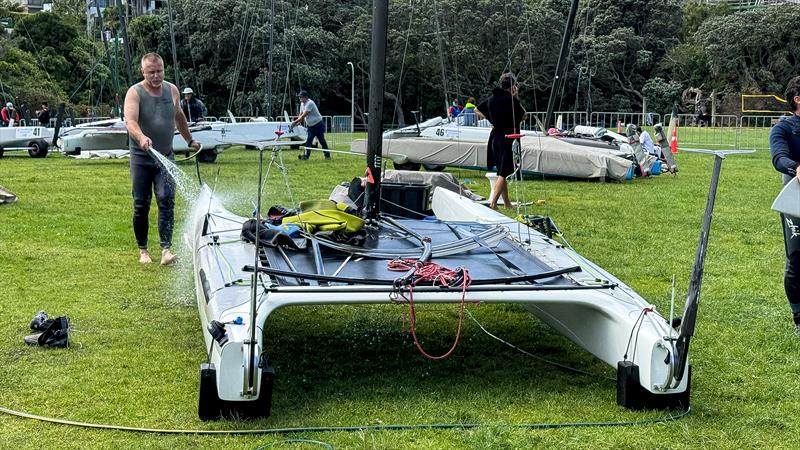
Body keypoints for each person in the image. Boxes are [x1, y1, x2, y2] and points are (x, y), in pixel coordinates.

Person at [124, 52, 201, 265]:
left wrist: (190, 140)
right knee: (141, 203)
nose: (156, 76)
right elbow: (130, 121)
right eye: (151, 72)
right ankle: (143, 251)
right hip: (142, 157)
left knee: (167, 200)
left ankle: (166, 250)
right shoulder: (135, 92)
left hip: (165, 157)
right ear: (143, 72)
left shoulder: (172, 90)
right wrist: (141, 137)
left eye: (159, 71)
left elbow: (179, 116)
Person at [769, 75, 800, 335]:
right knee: (797, 260)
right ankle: (799, 316)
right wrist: (796, 167)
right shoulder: (784, 127)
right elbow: (779, 157)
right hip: (796, 200)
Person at [475, 73, 526, 209]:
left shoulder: (492, 99)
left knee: (501, 171)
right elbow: (524, 115)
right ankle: (493, 203)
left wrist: (491, 119)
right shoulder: (511, 100)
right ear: (512, 87)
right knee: (505, 172)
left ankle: (507, 203)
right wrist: (515, 97)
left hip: (495, 137)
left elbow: (476, 109)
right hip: (507, 138)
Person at [291, 90, 330, 160]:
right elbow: (300, 114)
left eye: (301, 97)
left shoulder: (310, 103)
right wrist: (298, 122)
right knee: (308, 140)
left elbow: (304, 115)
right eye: (299, 97)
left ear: (305, 97)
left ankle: (327, 155)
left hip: (318, 125)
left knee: (322, 141)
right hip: (311, 126)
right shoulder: (302, 104)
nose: (300, 98)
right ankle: (306, 156)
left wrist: (294, 122)